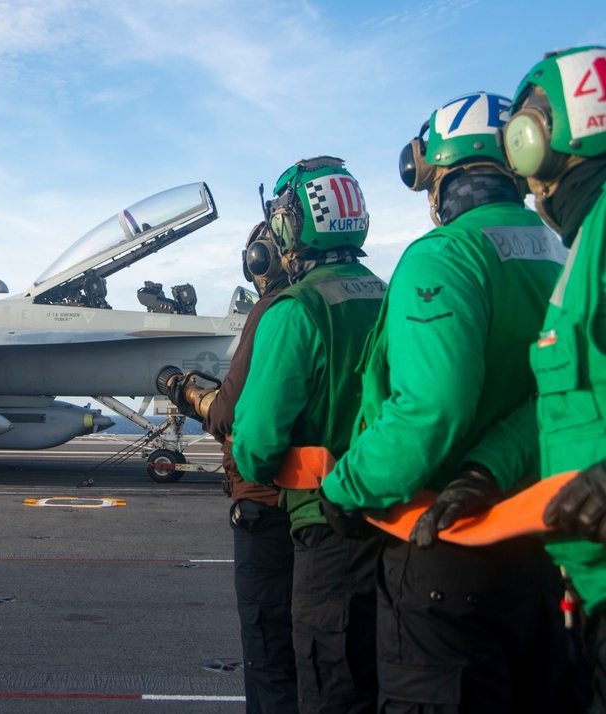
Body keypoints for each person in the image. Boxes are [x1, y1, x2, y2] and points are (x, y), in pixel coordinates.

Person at [319, 91, 581, 712]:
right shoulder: (567, 250)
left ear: (436, 173)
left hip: (445, 553)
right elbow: (561, 393)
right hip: (541, 544)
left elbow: (430, 411)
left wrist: (345, 488)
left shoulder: (445, 255)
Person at [231, 156, 385, 713]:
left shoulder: (296, 310)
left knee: (328, 688)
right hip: (397, 528)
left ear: (293, 227)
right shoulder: (390, 294)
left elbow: (253, 446)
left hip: (325, 529)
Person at [161, 221, 297, 713]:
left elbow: (232, 417)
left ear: (262, 259)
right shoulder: (336, 303)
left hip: (267, 504)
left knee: (270, 654)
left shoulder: (276, 313)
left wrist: (190, 393)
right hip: (327, 507)